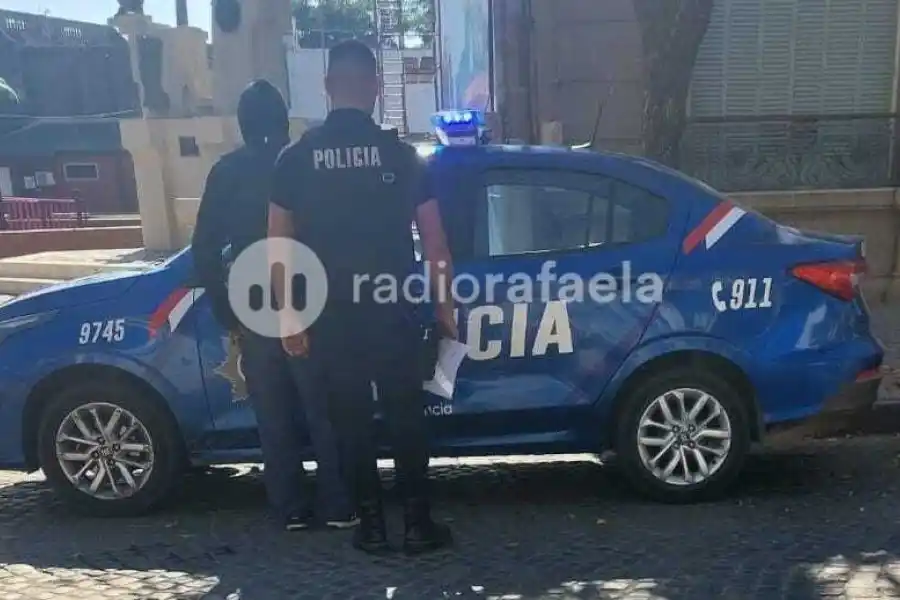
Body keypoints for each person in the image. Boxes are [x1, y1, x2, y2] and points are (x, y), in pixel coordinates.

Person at [267, 40, 457, 555]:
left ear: (328, 87)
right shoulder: (402, 155)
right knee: (405, 417)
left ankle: (371, 527)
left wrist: (289, 318)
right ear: (374, 88)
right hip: (392, 308)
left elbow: (278, 245)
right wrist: (445, 310)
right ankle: (417, 524)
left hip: (330, 315)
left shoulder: (296, 158)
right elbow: (436, 244)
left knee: (349, 420)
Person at [192, 79, 356, 532]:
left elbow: (204, 250)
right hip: (312, 296)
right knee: (325, 410)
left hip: (254, 302)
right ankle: (340, 504)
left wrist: (229, 316)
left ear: (242, 125)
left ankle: (292, 509)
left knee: (274, 414)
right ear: (285, 121)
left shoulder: (225, 172)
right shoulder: (307, 162)